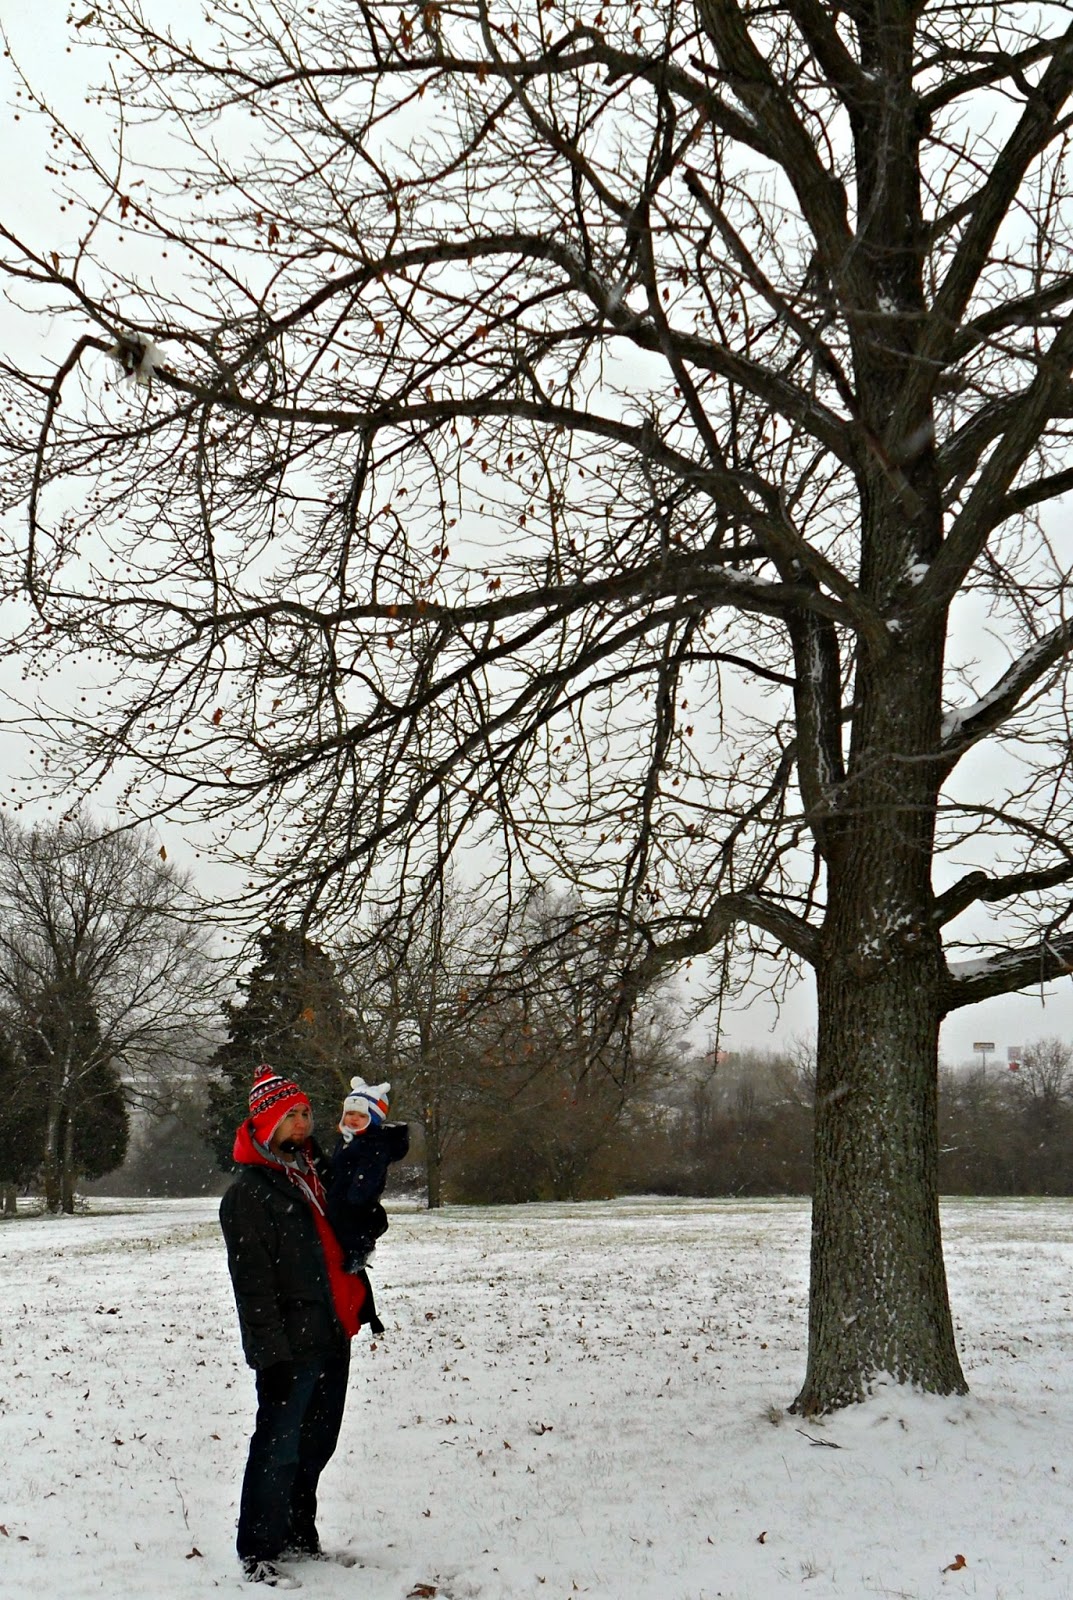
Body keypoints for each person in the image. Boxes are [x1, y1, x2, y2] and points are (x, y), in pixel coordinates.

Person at [219, 1064, 365, 1588]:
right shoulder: (249, 1194)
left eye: (305, 1112)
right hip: (289, 1343)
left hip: (333, 1330)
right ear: (266, 1123)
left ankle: (300, 1536)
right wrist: (269, 1352)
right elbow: (252, 1286)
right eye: (291, 1115)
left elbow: (347, 1232)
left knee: (316, 1443)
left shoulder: (315, 1174)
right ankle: (259, 1550)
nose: (303, 1123)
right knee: (277, 1448)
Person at [325, 1077, 410, 1335]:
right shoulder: (348, 1139)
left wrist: (354, 1196)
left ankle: (361, 1253)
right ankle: (365, 1313)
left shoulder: (374, 1144)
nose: (353, 1119)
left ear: (372, 1118)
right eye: (349, 1113)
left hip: (356, 1206)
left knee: (350, 1248)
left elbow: (368, 1174)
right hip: (341, 1202)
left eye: (360, 1115)